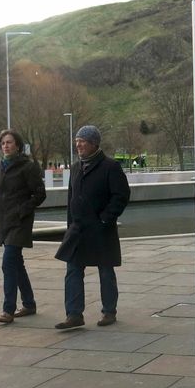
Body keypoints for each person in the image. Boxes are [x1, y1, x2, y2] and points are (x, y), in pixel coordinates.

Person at [54, 125, 130, 329]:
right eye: (77, 141)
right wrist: (70, 225)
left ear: (94, 144)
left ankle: (109, 311)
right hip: (78, 230)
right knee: (72, 270)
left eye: (83, 141)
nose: (78, 144)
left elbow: (121, 196)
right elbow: (71, 198)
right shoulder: (76, 167)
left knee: (105, 270)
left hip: (100, 229)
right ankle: (74, 314)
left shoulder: (110, 167)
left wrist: (105, 219)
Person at [0, 129, 46, 324]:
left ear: (18, 145)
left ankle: (8, 310)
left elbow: (40, 194)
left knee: (8, 263)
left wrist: (23, 210)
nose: (6, 145)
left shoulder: (27, 167)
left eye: (9, 142)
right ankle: (29, 304)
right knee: (16, 264)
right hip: (4, 220)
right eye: (3, 143)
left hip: (20, 222)